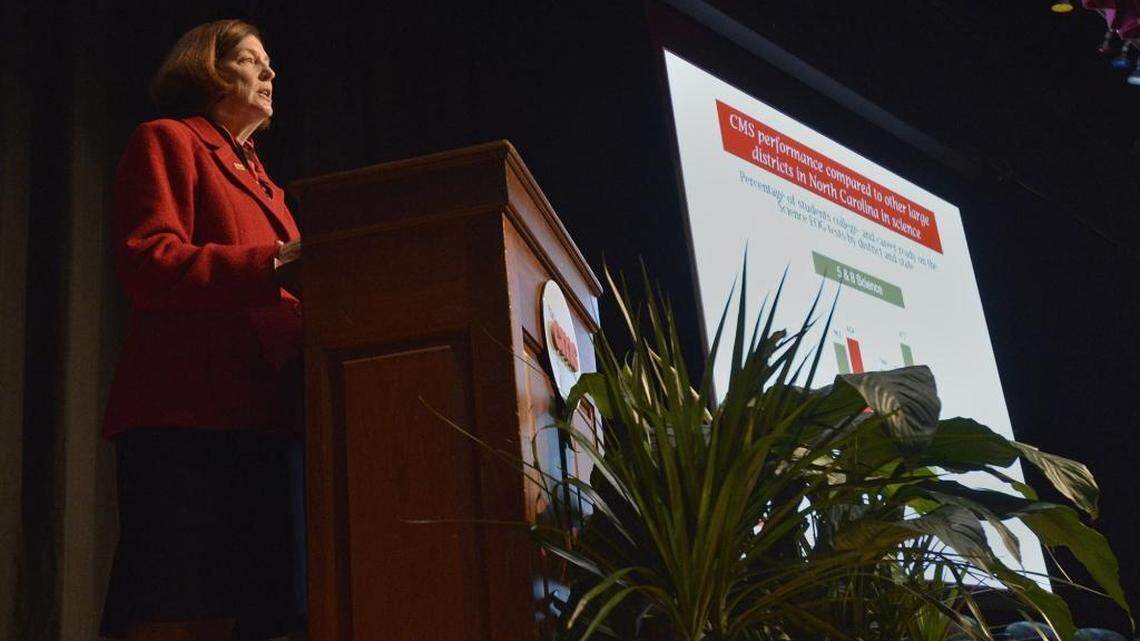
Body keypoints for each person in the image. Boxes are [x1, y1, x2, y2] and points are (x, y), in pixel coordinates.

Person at [100, 19, 305, 641]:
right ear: (209, 70)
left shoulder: (268, 183)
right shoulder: (168, 141)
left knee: (260, 616)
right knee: (182, 611)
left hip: (266, 420)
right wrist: (277, 262)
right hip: (188, 418)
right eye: (252, 60)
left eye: (269, 62)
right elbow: (149, 263)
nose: (270, 74)